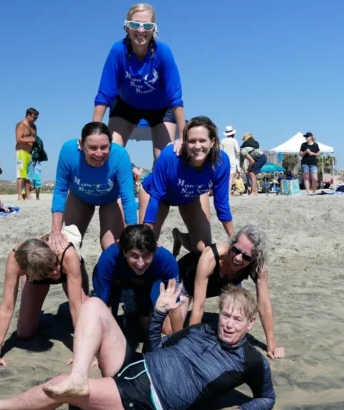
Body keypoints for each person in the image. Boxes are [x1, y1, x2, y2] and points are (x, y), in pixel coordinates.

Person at [0, 281, 275, 410]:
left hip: (147, 400)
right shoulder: (201, 330)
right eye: (225, 315)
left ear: (250, 324)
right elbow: (155, 349)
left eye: (237, 319)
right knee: (95, 304)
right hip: (135, 366)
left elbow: (267, 396)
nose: (228, 324)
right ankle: (80, 373)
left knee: (57, 386)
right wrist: (159, 313)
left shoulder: (250, 360)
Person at [0, 226, 89, 374]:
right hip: (35, 273)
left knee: (87, 313)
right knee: (24, 333)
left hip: (69, 268)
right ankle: (29, 283)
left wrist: (81, 353)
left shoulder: (67, 255)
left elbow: (75, 306)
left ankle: (45, 271)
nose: (55, 272)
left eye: (55, 265)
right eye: (49, 272)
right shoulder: (15, 261)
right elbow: (7, 307)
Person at [93, 3, 186, 160]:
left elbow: (175, 97)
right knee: (111, 151)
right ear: (127, 28)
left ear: (154, 29)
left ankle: (156, 184)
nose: (141, 30)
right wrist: (94, 131)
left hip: (161, 108)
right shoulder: (118, 50)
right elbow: (104, 94)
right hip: (126, 105)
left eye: (147, 26)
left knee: (165, 156)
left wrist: (184, 138)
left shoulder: (163, 51)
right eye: (135, 24)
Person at [178, 225, 284, 359]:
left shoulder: (257, 266)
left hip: (221, 285)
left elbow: (263, 305)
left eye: (246, 257)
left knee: (237, 304)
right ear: (232, 244)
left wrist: (271, 345)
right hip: (187, 279)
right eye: (236, 250)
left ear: (254, 259)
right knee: (171, 329)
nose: (239, 258)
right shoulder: (210, 257)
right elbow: (198, 306)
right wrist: (193, 343)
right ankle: (180, 236)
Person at [139, 116, 234, 257]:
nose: (197, 146)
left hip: (190, 196)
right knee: (146, 245)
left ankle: (179, 237)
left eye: (202, 141)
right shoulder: (169, 156)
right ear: (184, 142)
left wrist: (234, 240)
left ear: (212, 142)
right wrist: (146, 235)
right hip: (157, 194)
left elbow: (222, 204)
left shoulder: (221, 162)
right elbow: (156, 197)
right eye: (192, 141)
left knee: (202, 248)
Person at [49, 122, 137, 253]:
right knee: (68, 245)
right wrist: (56, 231)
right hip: (79, 198)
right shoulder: (68, 151)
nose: (99, 153)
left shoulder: (120, 155)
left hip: (111, 200)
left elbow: (128, 198)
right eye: (93, 148)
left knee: (112, 248)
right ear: (81, 144)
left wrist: (132, 234)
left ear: (111, 145)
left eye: (104, 147)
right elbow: (60, 190)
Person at [92, 224, 182, 333]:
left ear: (156, 248)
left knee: (148, 321)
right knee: (109, 323)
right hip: (116, 280)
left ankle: (135, 315)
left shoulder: (166, 261)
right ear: (123, 251)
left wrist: (180, 344)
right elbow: (104, 306)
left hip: (147, 280)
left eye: (146, 255)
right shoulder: (109, 259)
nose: (140, 263)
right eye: (134, 255)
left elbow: (174, 305)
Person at [15, 108, 38, 200]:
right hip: (21, 152)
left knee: (29, 176)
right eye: (34, 117)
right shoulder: (21, 125)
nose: (35, 119)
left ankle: (28, 195)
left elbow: (35, 140)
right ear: (28, 115)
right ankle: (20, 195)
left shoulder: (34, 127)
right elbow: (18, 139)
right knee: (21, 174)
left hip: (30, 153)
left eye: (36, 117)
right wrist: (32, 140)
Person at [220, 126, 240, 192]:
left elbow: (220, 152)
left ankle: (223, 191)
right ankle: (228, 192)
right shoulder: (234, 141)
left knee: (224, 177)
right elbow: (238, 151)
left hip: (223, 161)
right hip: (232, 160)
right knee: (230, 178)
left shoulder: (222, 141)